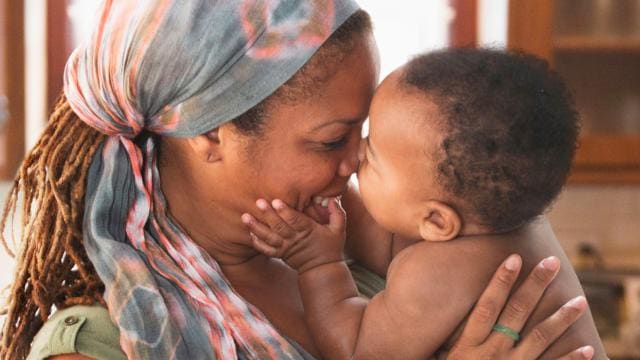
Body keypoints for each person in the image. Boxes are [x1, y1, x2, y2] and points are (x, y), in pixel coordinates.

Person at [0, 1, 591, 359]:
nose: (354, 162)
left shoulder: (364, 255)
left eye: (366, 135)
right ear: (211, 133)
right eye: (333, 139)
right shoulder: (108, 341)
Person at [243, 49, 606, 359]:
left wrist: (319, 263)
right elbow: (391, 243)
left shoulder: (435, 274)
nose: (352, 159)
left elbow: (354, 348)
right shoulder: (505, 223)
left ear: (436, 220)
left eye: (370, 158)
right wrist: (335, 197)